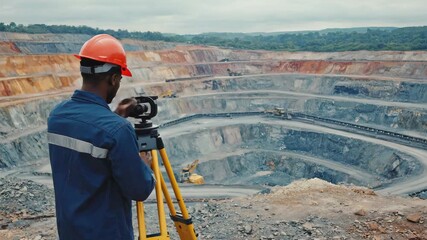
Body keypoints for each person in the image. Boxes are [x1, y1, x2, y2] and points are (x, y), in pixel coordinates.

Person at [47, 34, 155, 240]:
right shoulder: (118, 131)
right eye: (120, 79)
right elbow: (140, 190)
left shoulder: (57, 116)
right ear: (113, 78)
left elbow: (92, 133)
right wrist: (144, 164)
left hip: (70, 232)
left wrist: (116, 116)